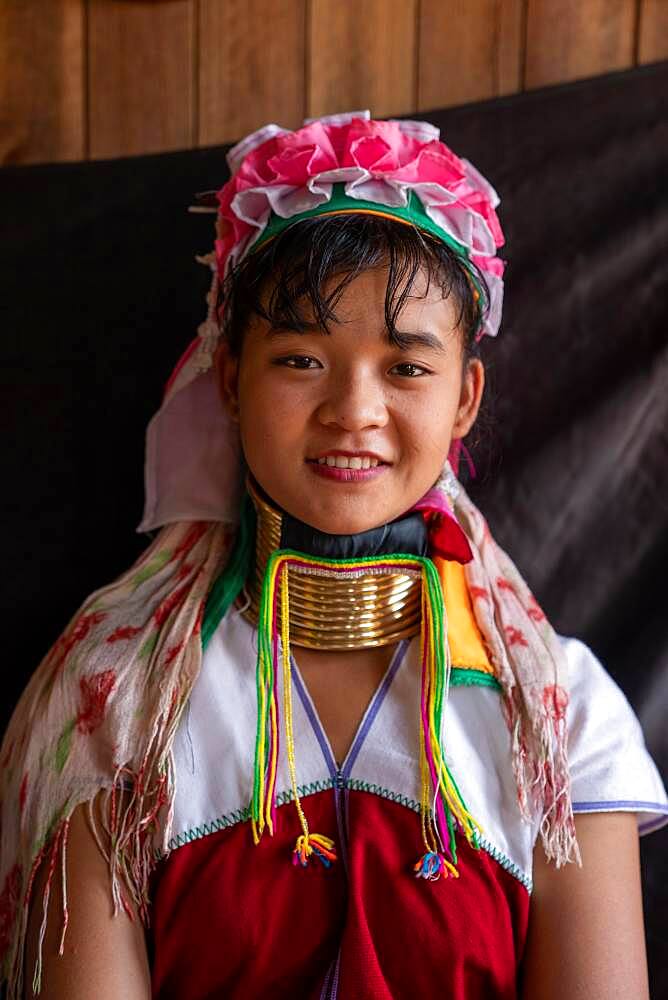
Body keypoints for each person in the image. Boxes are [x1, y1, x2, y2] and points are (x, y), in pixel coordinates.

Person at [1, 111, 666, 1000]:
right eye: (304, 359)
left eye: (406, 368)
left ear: (465, 397)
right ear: (231, 379)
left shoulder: (558, 721)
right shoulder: (116, 702)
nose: (354, 409)